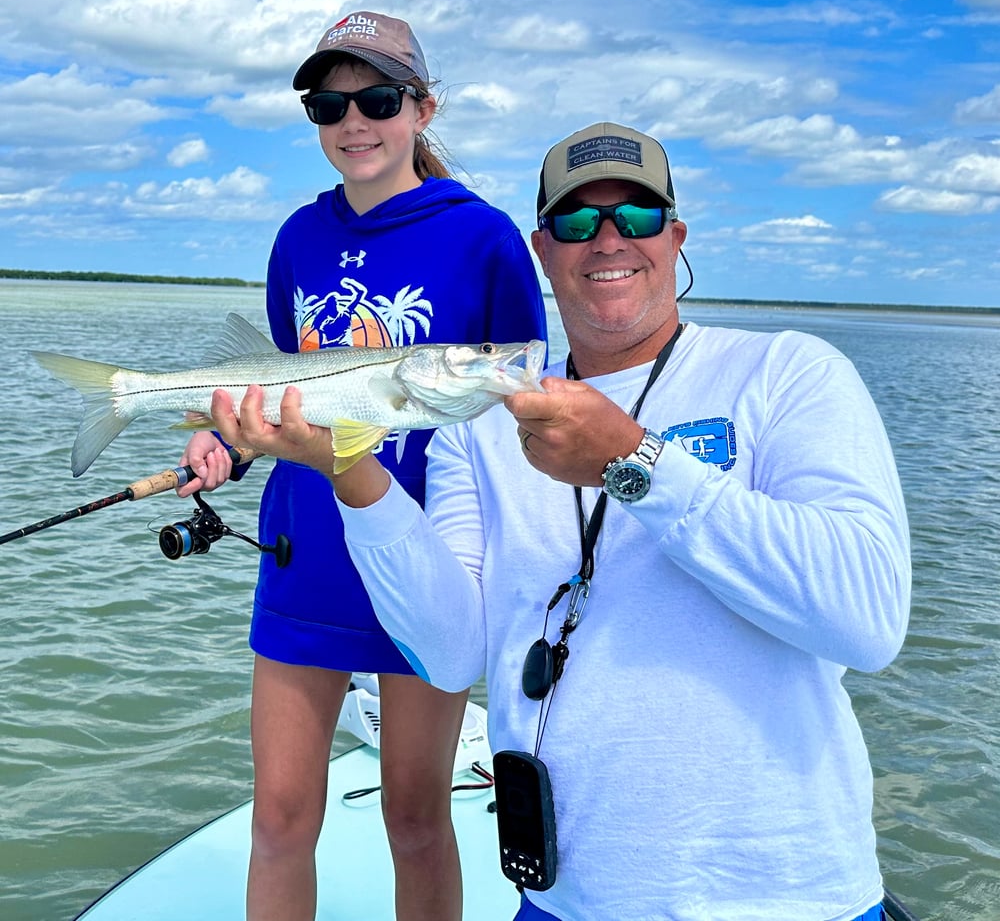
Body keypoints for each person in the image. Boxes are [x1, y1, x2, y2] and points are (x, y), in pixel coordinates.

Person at [210, 122, 911, 921]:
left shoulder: (788, 372)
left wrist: (637, 462)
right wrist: (349, 469)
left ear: (675, 236)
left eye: (636, 217)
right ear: (542, 249)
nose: (607, 240)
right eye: (577, 222)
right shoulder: (480, 427)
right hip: (566, 900)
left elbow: (868, 621)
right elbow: (448, 654)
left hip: (789, 899)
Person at [178, 11, 546, 921]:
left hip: (429, 557)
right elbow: (282, 379)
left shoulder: (485, 237)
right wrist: (224, 439)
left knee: (417, 819)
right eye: (328, 104)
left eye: (378, 98)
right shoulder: (299, 238)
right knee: (279, 820)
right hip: (306, 555)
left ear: (422, 108)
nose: (354, 120)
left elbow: (523, 400)